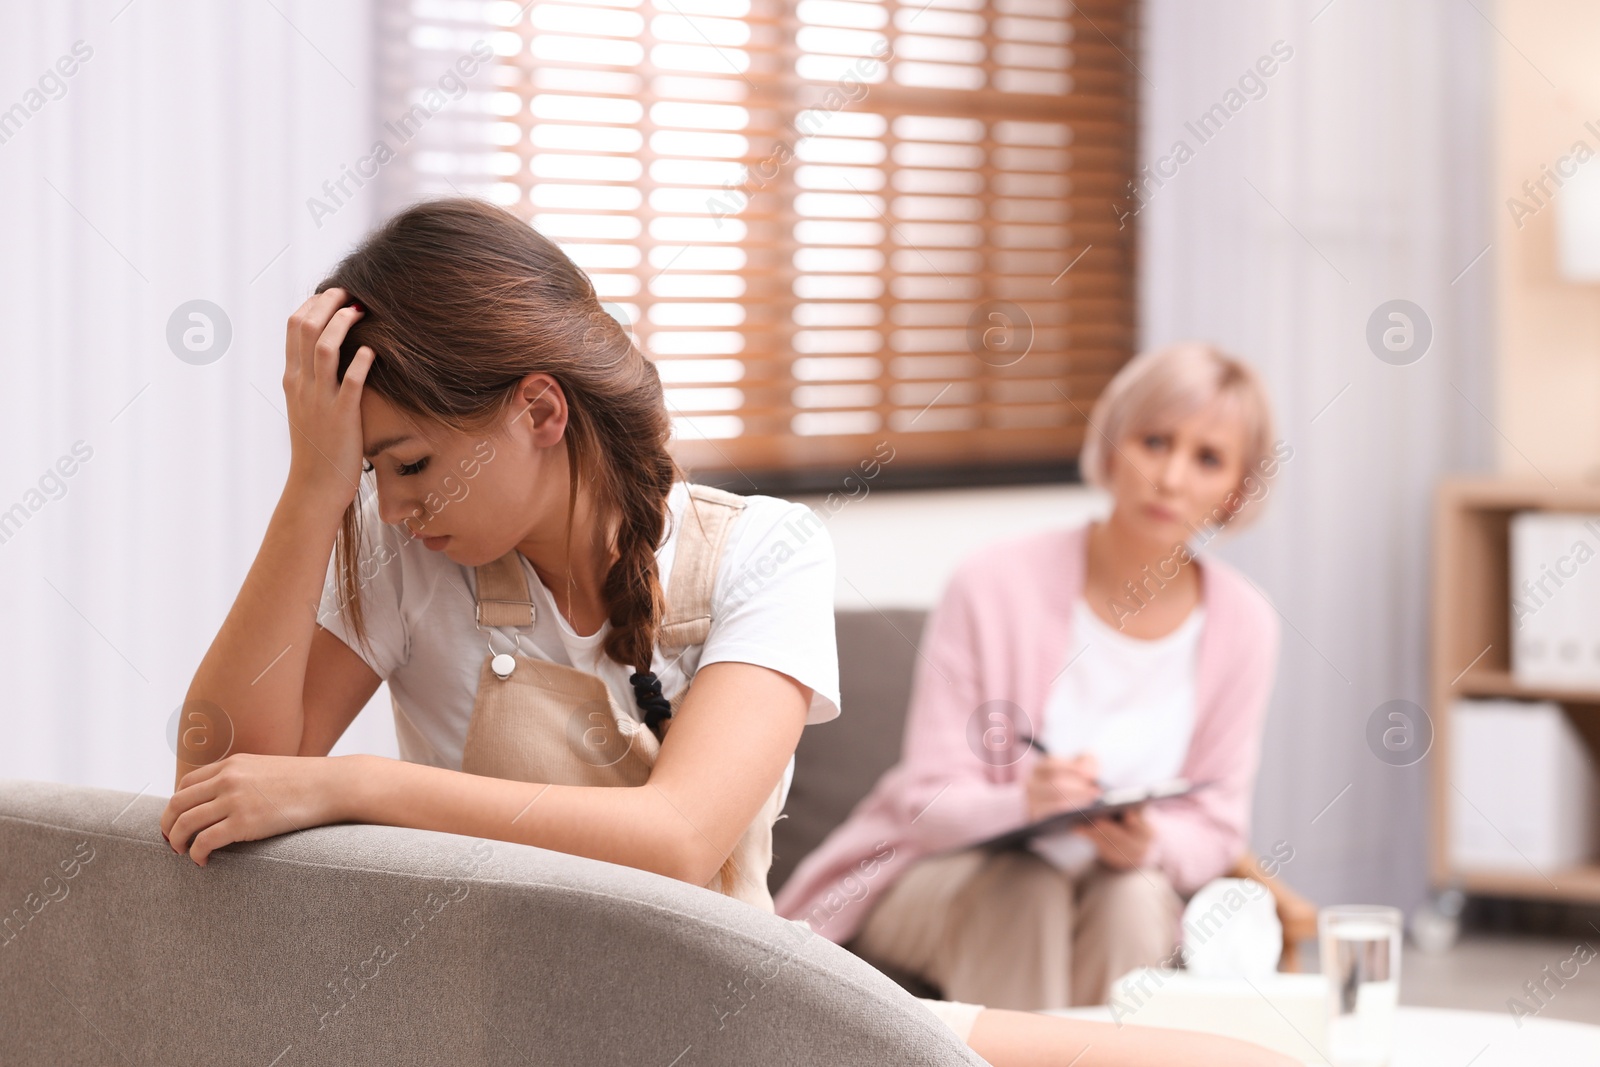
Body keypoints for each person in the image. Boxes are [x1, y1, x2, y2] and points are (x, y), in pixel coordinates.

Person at [159, 199, 1292, 1066]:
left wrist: (362, 785)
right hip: (495, 1016)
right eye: (370, 472)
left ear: (541, 411)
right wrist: (313, 492)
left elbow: (674, 833)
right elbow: (220, 772)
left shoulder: (766, 552)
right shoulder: (404, 557)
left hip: (734, 1007)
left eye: (406, 464)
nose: (393, 503)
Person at [775, 342, 1288, 1012]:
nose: (1170, 476)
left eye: (1207, 458)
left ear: (1238, 490)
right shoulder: (992, 582)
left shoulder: (1245, 623)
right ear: (1111, 447)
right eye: (1154, 441)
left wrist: (1150, 841)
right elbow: (927, 803)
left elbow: (1218, 826)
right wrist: (1025, 802)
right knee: (1026, 888)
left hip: (1121, 883)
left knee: (1133, 896)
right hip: (942, 877)